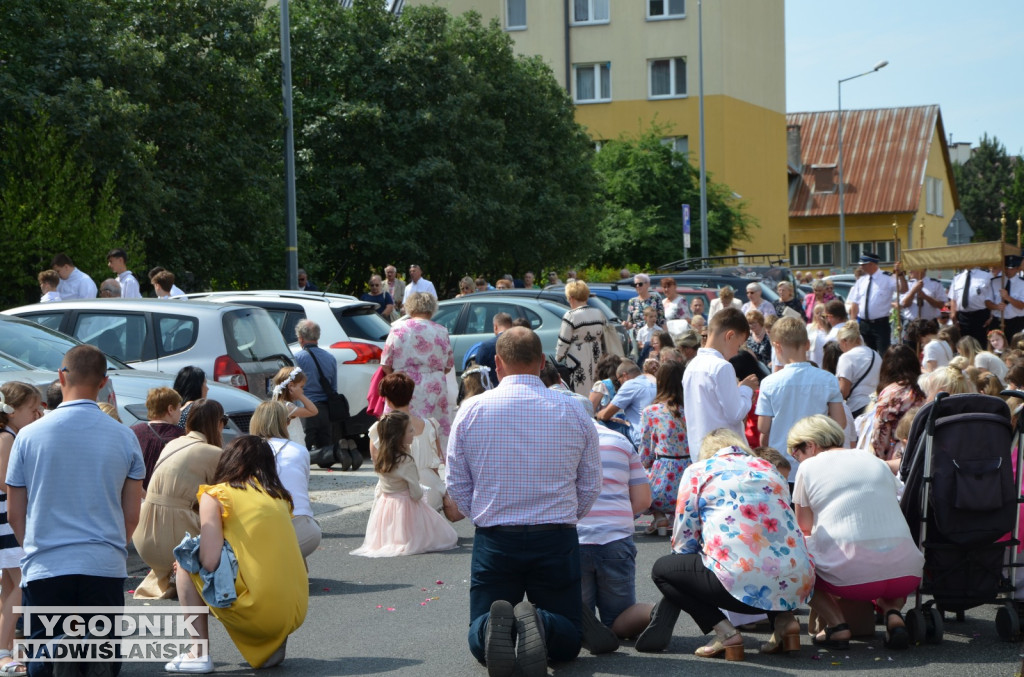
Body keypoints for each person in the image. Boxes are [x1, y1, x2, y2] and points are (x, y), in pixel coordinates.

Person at [446, 327, 601, 675]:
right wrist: (567, 514)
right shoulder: (575, 410)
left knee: (480, 632)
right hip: (555, 533)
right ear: (543, 361)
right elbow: (591, 482)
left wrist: (482, 517)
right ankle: (542, 623)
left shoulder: (471, 410)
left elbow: (456, 483)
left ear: (497, 364)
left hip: (496, 536)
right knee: (567, 639)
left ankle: (492, 628)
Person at [7, 345, 144, 677]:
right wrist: (111, 545)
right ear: (103, 383)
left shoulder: (27, 436)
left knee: (41, 655)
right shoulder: (125, 437)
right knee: (102, 659)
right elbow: (132, 514)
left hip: (46, 564)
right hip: (103, 564)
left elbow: (15, 511)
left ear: (60, 376)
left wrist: (34, 547)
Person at [634, 429, 814, 658]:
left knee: (664, 570)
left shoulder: (699, 471)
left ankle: (726, 633)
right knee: (769, 556)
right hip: (798, 582)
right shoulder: (768, 468)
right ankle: (785, 621)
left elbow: (683, 540)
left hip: (741, 587)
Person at [166, 436, 307, 672]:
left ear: (229, 461)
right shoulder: (279, 497)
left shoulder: (217, 494)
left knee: (184, 566)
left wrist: (191, 562)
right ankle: (268, 641)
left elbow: (209, 562)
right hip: (294, 610)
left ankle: (198, 653)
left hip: (259, 606)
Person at [789, 415, 924, 650]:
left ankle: (837, 626)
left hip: (851, 575)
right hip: (907, 573)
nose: (796, 460)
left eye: (795, 453)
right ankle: (893, 614)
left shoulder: (809, 467)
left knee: (799, 559)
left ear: (810, 445)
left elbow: (803, 527)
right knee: (883, 565)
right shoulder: (873, 460)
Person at [132, 399, 225, 600]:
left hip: (144, 540)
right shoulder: (213, 453)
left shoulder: (174, 443)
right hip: (175, 545)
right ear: (217, 423)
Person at [577, 422, 652, 654]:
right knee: (619, 618)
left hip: (572, 538)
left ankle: (584, 629)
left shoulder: (557, 440)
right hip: (615, 539)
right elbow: (643, 500)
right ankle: (654, 611)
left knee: (575, 611)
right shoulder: (620, 442)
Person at [353, 411, 458, 558]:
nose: (413, 432)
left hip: (386, 502)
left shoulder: (384, 457)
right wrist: (422, 494)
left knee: (391, 529)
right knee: (446, 535)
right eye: (410, 430)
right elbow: (415, 492)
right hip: (405, 502)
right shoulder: (406, 460)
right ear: (399, 436)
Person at [755, 317, 845, 479]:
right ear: (807, 344)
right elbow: (840, 423)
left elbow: (763, 427)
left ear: (777, 346)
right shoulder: (828, 379)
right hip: (818, 461)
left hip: (782, 463)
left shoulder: (769, 382)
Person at [0, 383, 42, 676]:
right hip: (7, 517)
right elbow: (6, 483)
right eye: (32, 409)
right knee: (23, 583)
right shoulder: (7, 438)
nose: (37, 413)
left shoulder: (9, 435)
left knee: (10, 585)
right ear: (12, 410)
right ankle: (4, 650)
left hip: (4, 517)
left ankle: (11, 647)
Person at [682, 308, 758, 464]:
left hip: (700, 450)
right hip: (723, 453)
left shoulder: (692, 365)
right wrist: (746, 389)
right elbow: (735, 414)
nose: (736, 352)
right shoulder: (722, 366)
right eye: (738, 345)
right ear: (729, 336)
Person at [249, 401, 321, 562]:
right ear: (284, 424)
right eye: (288, 420)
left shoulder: (245, 451)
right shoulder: (299, 451)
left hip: (258, 527)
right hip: (304, 528)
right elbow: (302, 486)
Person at [381, 293, 455, 439]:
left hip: (403, 385)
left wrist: (396, 377)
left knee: (400, 427)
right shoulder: (441, 330)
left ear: (410, 306)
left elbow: (386, 362)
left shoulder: (398, 329)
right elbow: (448, 365)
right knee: (434, 429)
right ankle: (434, 458)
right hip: (434, 386)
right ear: (432, 308)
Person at [370, 372, 446, 512]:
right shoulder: (430, 426)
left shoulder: (378, 429)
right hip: (429, 489)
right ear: (411, 396)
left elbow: (379, 465)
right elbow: (435, 465)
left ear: (387, 399)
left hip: (395, 493)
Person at [638, 362, 689, 536]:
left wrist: (645, 465)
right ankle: (678, 517)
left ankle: (659, 517)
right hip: (689, 476)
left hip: (663, 481)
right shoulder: (693, 409)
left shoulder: (651, 411)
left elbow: (645, 452)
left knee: (640, 473)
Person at [870, 345, 925, 461]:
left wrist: (878, 461)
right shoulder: (925, 387)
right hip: (926, 449)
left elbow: (880, 435)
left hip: (899, 455)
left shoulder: (890, 393)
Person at [554, 280, 608, 396]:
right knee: (597, 388)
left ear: (571, 297)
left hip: (577, 359)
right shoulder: (599, 313)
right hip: (597, 356)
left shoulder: (571, 315)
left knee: (580, 391)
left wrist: (558, 358)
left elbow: (563, 341)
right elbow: (604, 337)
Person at [129, 387, 186, 489]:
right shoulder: (182, 436)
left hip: (136, 496)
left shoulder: (132, 432)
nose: (180, 412)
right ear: (170, 409)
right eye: (179, 408)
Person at [596, 361, 656, 449]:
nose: (619, 384)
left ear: (624, 375)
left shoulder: (631, 384)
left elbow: (605, 415)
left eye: (618, 380)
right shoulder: (653, 383)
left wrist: (597, 415)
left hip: (639, 440)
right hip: (655, 438)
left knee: (600, 424)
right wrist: (625, 423)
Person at [847, 250, 897, 354]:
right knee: (867, 354)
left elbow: (903, 289)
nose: (861, 267)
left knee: (884, 354)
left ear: (872, 264)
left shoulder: (887, 278)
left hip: (880, 324)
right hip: (864, 324)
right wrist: (852, 320)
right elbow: (855, 302)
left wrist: (899, 274)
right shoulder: (862, 280)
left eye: (863, 265)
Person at [835, 321, 881, 418]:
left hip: (857, 408)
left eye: (839, 344)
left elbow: (843, 391)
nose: (840, 348)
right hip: (875, 406)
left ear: (844, 341)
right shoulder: (875, 354)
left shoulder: (846, 358)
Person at [270, 366, 318, 446]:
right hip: (293, 447)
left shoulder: (280, 404)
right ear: (291, 386)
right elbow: (313, 411)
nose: (302, 390)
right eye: (301, 387)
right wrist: (300, 396)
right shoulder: (287, 407)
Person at [950, 265, 994, 347]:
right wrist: (953, 315)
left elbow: (993, 296)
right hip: (962, 317)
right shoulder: (958, 277)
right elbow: (953, 298)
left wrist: (991, 316)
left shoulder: (987, 275)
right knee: (964, 346)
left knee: (980, 345)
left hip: (980, 316)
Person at [472, 313, 514, 383]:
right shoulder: (520, 343)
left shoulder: (486, 346)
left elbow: (478, 371)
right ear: (511, 326)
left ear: (495, 327)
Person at [625, 274, 664, 340]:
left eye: (640, 284)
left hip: (654, 338)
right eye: (635, 285)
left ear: (647, 284)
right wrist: (626, 325)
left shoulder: (656, 299)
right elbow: (630, 322)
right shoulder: (632, 301)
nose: (637, 286)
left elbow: (662, 320)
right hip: (637, 339)